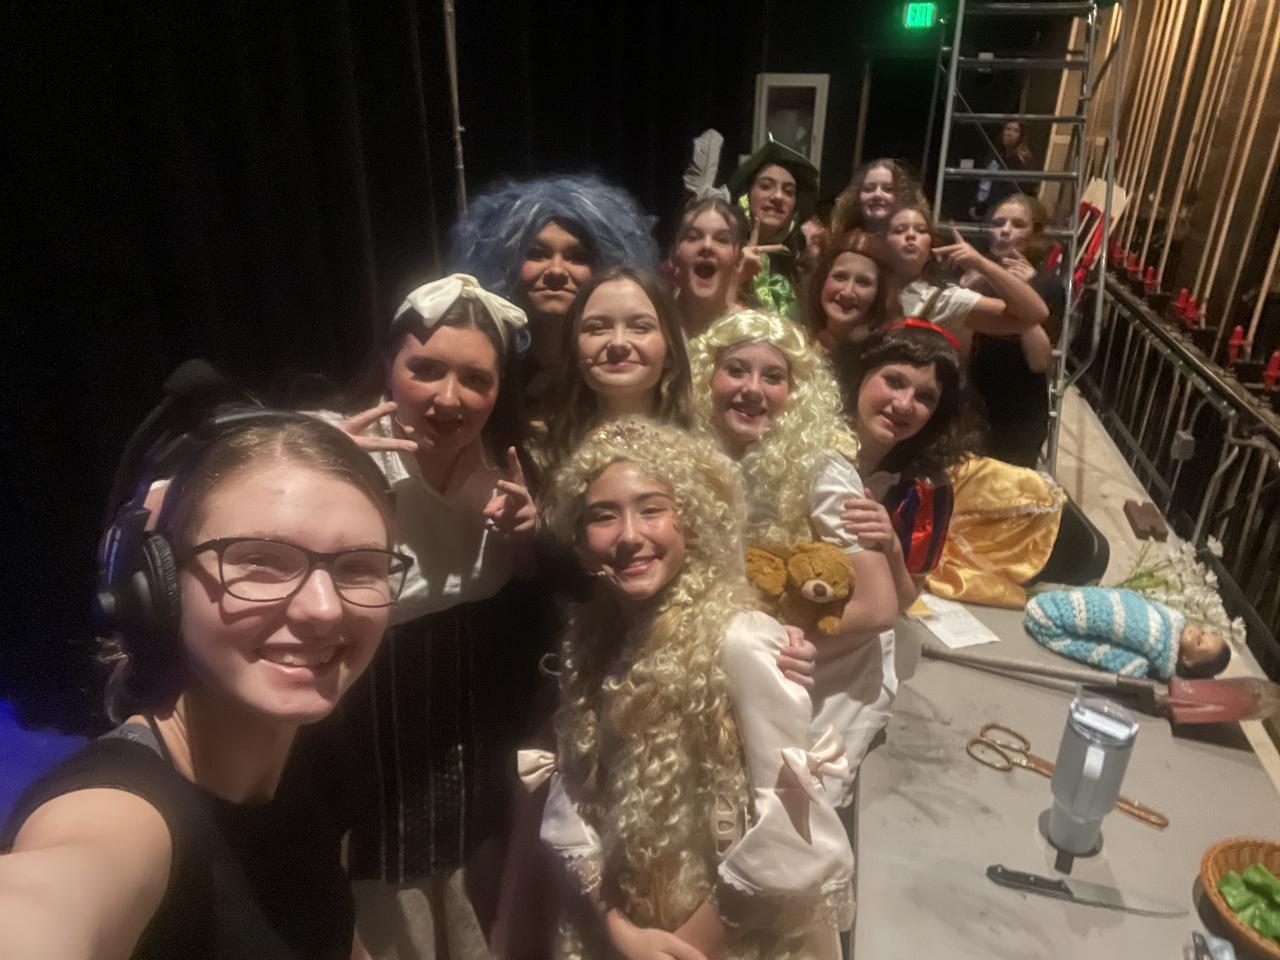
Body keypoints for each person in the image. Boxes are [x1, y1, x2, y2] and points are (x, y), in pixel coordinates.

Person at [0, 405, 404, 960]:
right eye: (261, 560)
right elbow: (44, 901)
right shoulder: (118, 812)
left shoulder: (301, 760)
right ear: (158, 586)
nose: (324, 608)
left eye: (359, 566)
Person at [525, 418, 855, 959]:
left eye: (652, 509)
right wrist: (618, 931)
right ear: (580, 538)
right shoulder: (588, 641)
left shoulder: (742, 640)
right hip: (624, 926)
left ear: (692, 521)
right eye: (603, 516)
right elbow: (575, 794)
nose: (629, 535)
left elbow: (791, 821)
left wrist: (683, 947)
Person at [328, 274, 549, 959]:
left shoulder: (512, 464)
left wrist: (529, 536)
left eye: (476, 379)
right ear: (388, 367)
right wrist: (321, 484)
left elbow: (530, 596)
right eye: (425, 369)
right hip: (361, 751)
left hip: (472, 751)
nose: (449, 398)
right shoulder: (329, 447)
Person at [688, 311, 898, 782]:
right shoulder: (690, 457)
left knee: (784, 794)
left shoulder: (821, 468)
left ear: (795, 393)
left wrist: (780, 644)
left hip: (823, 663)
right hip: (729, 649)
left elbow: (880, 606)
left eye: (773, 377)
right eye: (736, 369)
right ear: (706, 378)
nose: (753, 389)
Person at [448, 175, 660, 414]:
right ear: (505, 263)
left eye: (577, 257)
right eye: (537, 254)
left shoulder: (621, 364)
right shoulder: (487, 361)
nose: (556, 271)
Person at [833, 322, 980, 612]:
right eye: (894, 382)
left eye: (925, 397)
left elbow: (905, 599)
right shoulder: (803, 441)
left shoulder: (926, 488)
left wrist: (891, 545)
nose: (904, 405)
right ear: (861, 375)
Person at [537, 266, 692, 483]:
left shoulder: (702, 462)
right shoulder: (538, 457)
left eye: (640, 327)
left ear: (670, 349)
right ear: (574, 349)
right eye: (597, 328)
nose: (618, 343)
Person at [963, 194, 1061, 467]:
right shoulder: (974, 276)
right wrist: (966, 293)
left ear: (1035, 235)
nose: (1005, 230)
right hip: (972, 399)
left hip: (1020, 408)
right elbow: (958, 348)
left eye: (1017, 224)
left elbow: (1039, 361)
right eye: (998, 223)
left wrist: (1024, 294)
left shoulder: (1047, 285)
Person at [884, 201, 1048, 360]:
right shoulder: (875, 282)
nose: (911, 235)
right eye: (899, 230)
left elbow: (1035, 321)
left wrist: (982, 264)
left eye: (921, 230)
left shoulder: (942, 298)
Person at [1026, 588, 1230, 680]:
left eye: (1199, 641)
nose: (1196, 632)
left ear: (1187, 661)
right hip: (1052, 610)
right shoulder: (1165, 619)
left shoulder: (1154, 636)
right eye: (1203, 632)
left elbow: (1119, 621)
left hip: (1049, 614)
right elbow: (1124, 603)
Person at [725, 137, 820, 317]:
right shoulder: (723, 254)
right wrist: (736, 278)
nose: (777, 196)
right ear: (747, 195)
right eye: (766, 186)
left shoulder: (802, 266)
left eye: (788, 191)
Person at [801, 230, 901, 351]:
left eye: (863, 283)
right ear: (823, 280)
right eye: (839, 277)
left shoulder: (887, 357)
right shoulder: (792, 345)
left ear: (879, 294)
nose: (847, 293)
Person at [667, 196, 750, 338]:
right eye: (693, 237)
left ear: (738, 259)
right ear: (675, 254)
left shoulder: (750, 334)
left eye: (722, 239)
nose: (707, 245)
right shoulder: (653, 322)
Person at [829, 158, 924, 238]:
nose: (877, 195)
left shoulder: (912, 242)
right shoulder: (842, 241)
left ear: (903, 196)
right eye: (869, 189)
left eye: (888, 189)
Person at [969, 121, 1037, 221]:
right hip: (992, 209)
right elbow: (985, 184)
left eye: (1016, 131)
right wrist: (978, 207)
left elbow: (1027, 191)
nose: (1010, 133)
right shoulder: (994, 155)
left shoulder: (1025, 160)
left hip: (1014, 210)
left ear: (1021, 136)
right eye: (1008, 129)